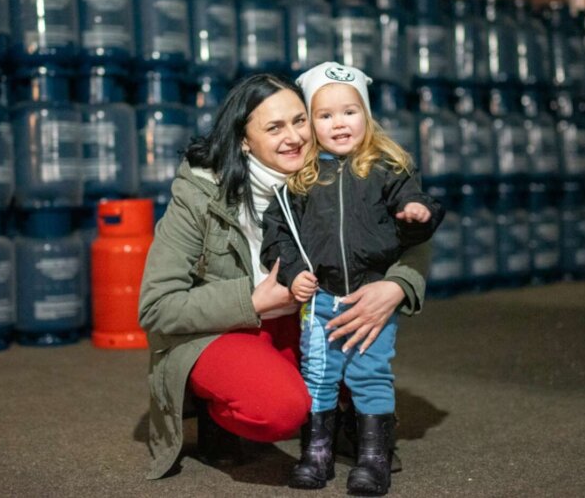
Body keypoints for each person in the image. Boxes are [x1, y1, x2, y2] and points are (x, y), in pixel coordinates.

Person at [138, 73, 431, 480]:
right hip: (226, 328)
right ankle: (213, 412)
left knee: (360, 355)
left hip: (304, 316)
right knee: (278, 407)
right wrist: (253, 300)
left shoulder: (337, 174)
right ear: (244, 139)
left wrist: (396, 285)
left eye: (300, 121)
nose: (294, 137)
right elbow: (156, 306)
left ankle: (346, 425)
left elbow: (413, 234)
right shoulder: (200, 193)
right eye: (274, 127)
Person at [261, 62, 443, 495]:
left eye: (349, 112)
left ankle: (373, 457)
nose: (339, 123)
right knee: (318, 374)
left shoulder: (387, 168)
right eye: (325, 116)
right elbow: (279, 236)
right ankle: (317, 452)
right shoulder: (298, 183)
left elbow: (416, 206)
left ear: (367, 115)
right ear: (311, 124)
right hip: (321, 298)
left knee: (369, 372)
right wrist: (293, 273)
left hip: (368, 295)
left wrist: (417, 216)